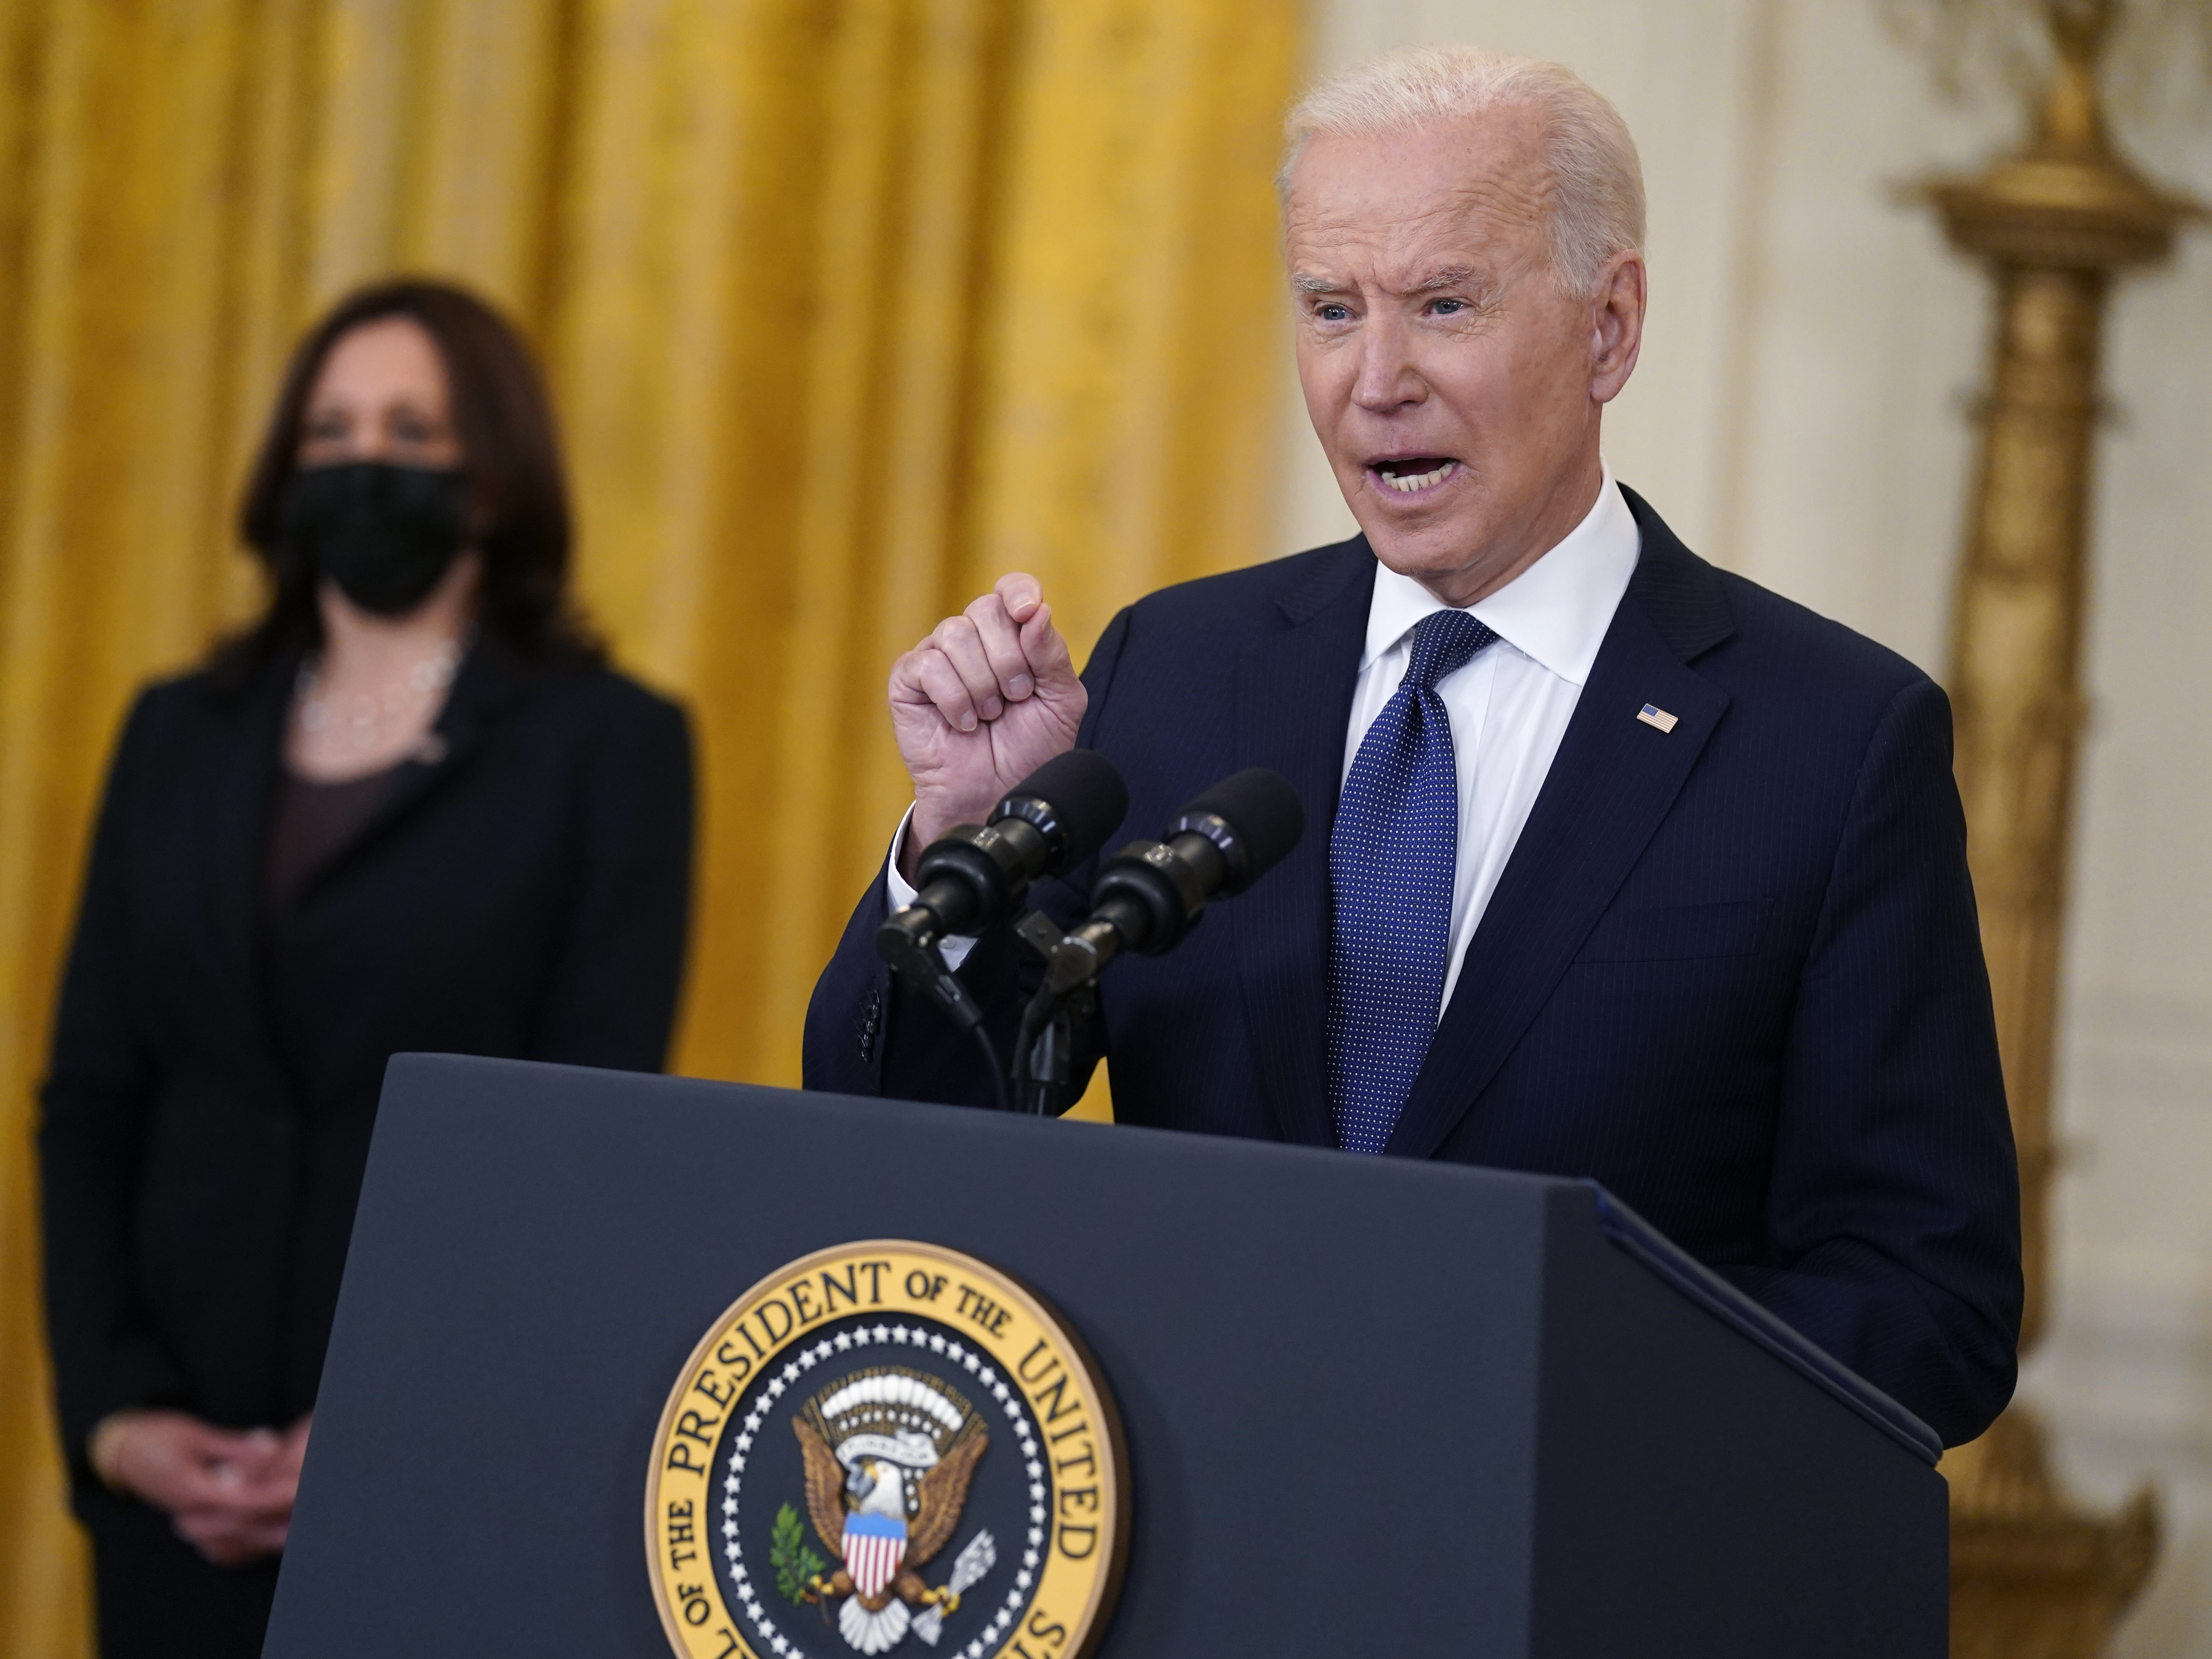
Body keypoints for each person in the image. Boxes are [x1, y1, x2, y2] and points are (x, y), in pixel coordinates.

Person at [805, 47, 2022, 1448]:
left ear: (1610, 327)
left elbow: (1929, 1299)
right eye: (1332, 310)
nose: (1376, 379)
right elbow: (893, 1139)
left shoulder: (1829, 743)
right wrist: (963, 847)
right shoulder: (1178, 670)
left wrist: (1538, 1378)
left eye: (1443, 304)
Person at [39, 279, 695, 1658]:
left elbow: (578, 1145)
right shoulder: (177, 731)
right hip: (176, 1480)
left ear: (497, 478)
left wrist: (398, 1408)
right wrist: (113, 1417)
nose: (364, 463)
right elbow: (90, 1096)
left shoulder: (611, 747)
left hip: (435, 1458)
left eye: (412, 429)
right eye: (330, 430)